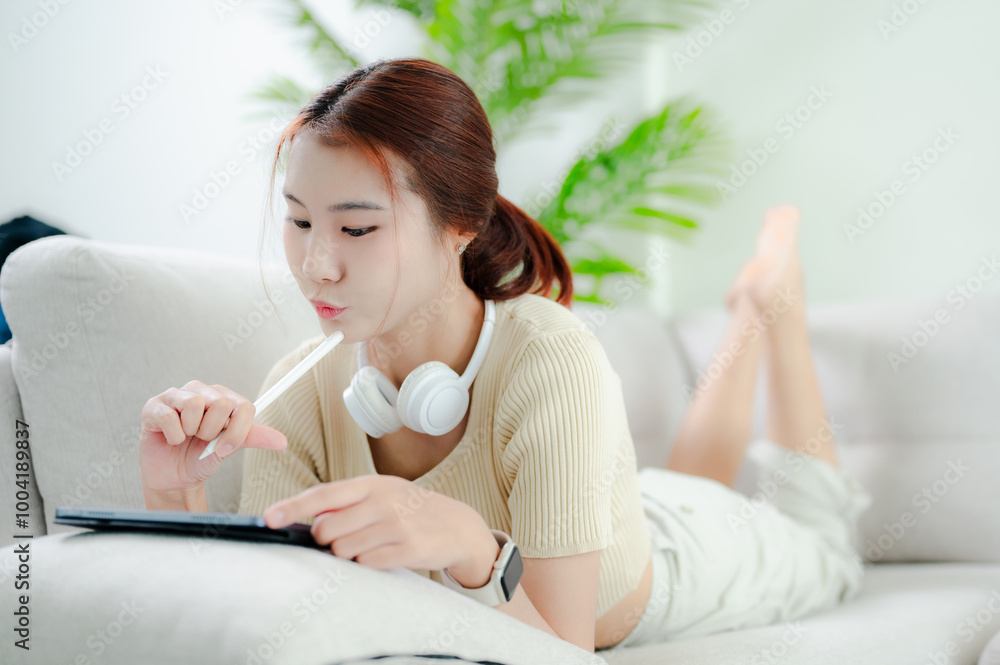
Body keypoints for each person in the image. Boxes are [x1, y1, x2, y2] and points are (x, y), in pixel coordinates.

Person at [137, 57, 872, 655]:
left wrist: (470, 545)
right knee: (682, 486)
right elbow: (270, 625)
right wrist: (176, 497)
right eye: (299, 222)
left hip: (694, 558)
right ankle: (751, 311)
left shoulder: (550, 358)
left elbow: (563, 649)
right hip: (626, 515)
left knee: (825, 538)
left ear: (460, 224)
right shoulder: (298, 390)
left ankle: (772, 303)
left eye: (357, 229)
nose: (316, 266)